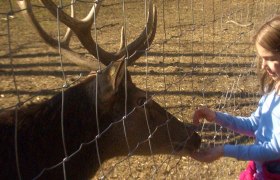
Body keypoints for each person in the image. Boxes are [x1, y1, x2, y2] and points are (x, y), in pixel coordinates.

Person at [190, 15, 280, 180]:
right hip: (260, 170)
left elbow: (274, 150)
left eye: (269, 59)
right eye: (261, 59)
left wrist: (224, 150)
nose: (263, 66)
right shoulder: (273, 91)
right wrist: (216, 117)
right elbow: (254, 125)